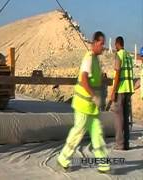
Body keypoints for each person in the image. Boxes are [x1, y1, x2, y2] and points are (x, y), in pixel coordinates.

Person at [57, 31, 110, 173]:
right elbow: (84, 79)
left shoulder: (95, 60)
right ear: (94, 43)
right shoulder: (88, 58)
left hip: (91, 106)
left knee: (97, 133)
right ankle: (63, 158)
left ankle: (103, 164)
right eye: (101, 44)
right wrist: (93, 96)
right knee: (78, 132)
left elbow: (96, 81)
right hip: (83, 104)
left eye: (103, 44)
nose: (103, 47)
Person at [110, 37, 134, 151]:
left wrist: (113, 90)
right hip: (129, 90)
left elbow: (118, 73)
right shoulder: (129, 56)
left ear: (116, 44)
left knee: (118, 118)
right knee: (125, 117)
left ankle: (119, 144)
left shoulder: (118, 55)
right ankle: (126, 143)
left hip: (120, 90)